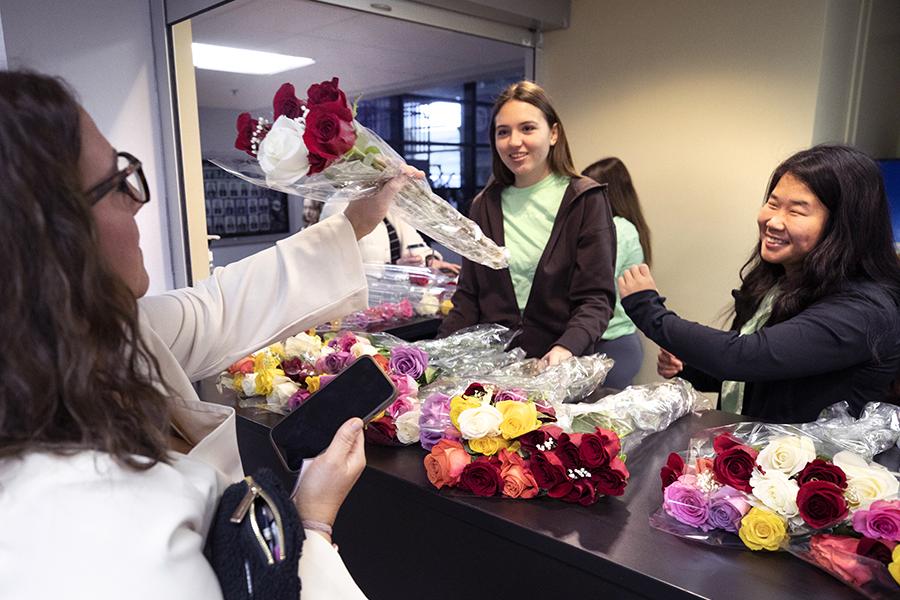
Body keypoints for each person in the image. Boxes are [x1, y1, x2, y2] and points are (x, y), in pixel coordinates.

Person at [0, 70, 421, 598]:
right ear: (48, 233)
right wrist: (309, 526)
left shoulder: (96, 337)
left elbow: (217, 309)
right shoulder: (85, 526)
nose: (137, 201)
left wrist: (354, 221)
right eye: (115, 183)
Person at [619, 144, 900, 422]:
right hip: (761, 454)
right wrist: (692, 368)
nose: (773, 221)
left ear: (843, 225)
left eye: (797, 211)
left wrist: (649, 311)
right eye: (773, 204)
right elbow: (770, 376)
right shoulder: (781, 283)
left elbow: (747, 356)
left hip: (820, 464)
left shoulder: (865, 309)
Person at [439, 81, 616, 367]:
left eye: (528, 128)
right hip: (492, 369)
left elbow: (595, 300)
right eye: (503, 132)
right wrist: (435, 357)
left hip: (559, 368)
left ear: (554, 133)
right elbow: (468, 298)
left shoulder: (584, 200)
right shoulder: (484, 206)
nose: (514, 141)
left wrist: (565, 348)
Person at [581, 157, 652, 388]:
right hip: (611, 343)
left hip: (611, 343)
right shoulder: (622, 227)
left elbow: (596, 281)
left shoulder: (617, 229)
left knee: (603, 422)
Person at [321, 202, 461, 275]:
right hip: (361, 307)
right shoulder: (338, 208)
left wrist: (429, 261)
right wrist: (394, 270)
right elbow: (332, 266)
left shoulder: (391, 209)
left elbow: (416, 245)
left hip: (397, 304)